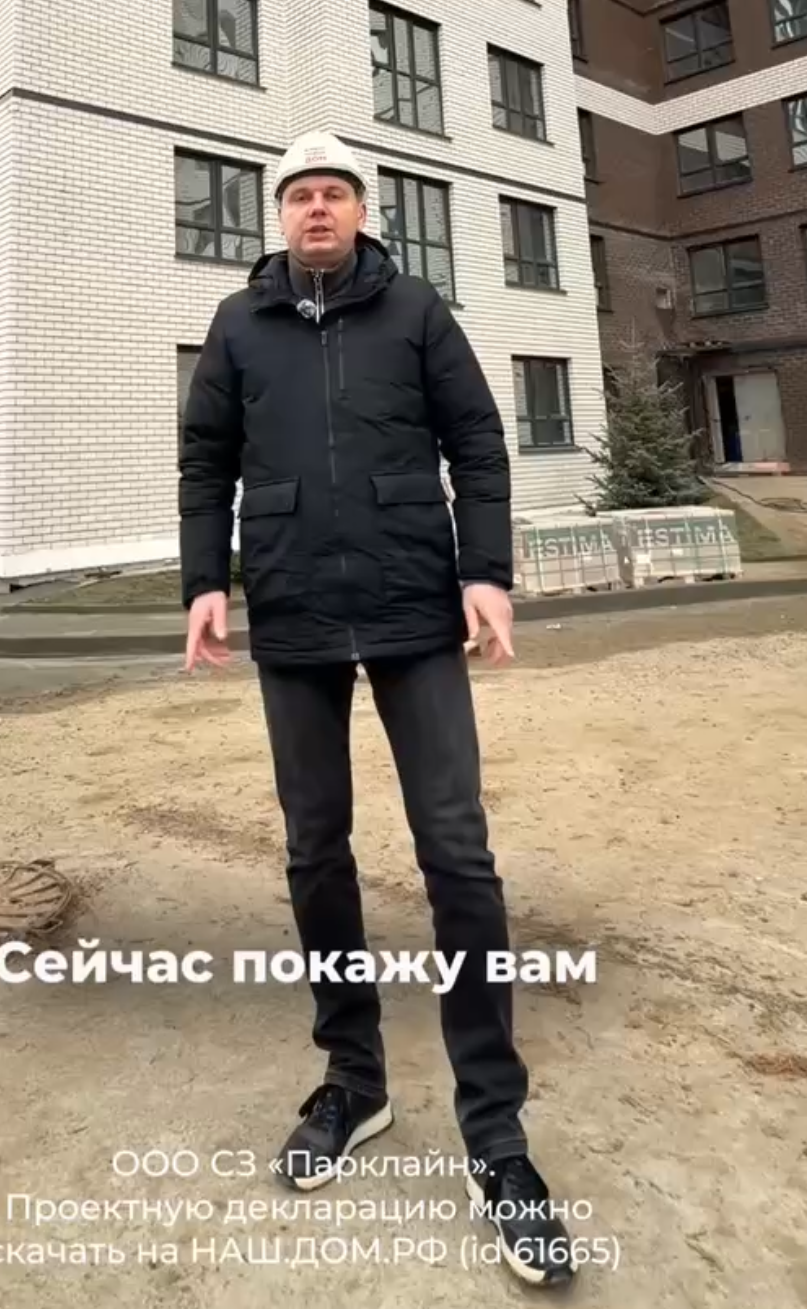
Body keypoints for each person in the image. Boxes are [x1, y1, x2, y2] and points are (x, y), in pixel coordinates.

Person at [179, 131, 574, 1288]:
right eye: (299, 194)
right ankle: (353, 1082)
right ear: (280, 214)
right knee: (316, 847)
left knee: (457, 850)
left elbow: (478, 442)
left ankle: (495, 1130)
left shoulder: (417, 312)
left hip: (412, 606)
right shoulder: (238, 325)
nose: (316, 207)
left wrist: (485, 571)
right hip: (295, 608)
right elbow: (206, 459)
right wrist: (205, 580)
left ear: (362, 209)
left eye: (334, 193)